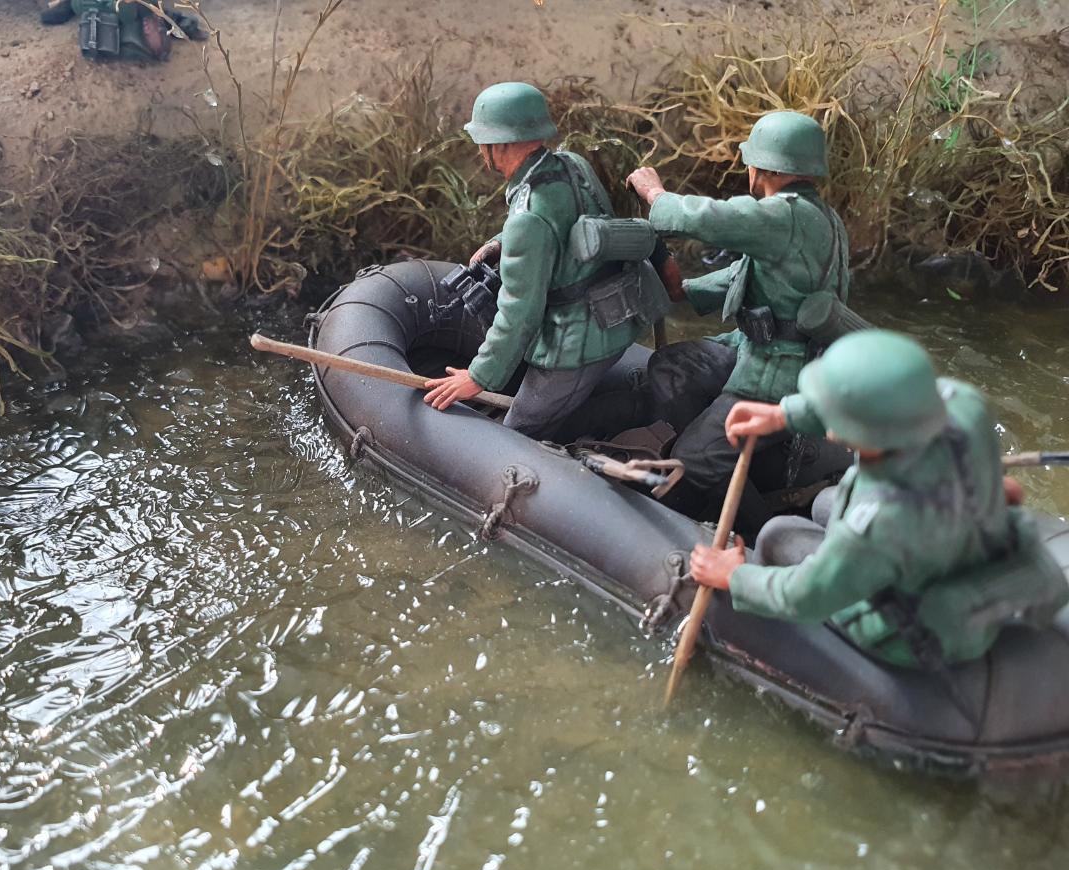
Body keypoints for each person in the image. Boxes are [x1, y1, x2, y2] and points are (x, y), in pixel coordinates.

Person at [689, 329, 1068, 672]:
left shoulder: (879, 521)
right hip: (958, 550)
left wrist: (734, 577)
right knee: (825, 503)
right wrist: (783, 414)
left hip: (921, 628)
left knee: (777, 533)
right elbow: (884, 410)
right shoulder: (964, 404)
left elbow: (805, 595)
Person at [625, 110, 861, 532]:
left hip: (779, 369)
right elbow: (754, 274)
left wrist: (654, 194)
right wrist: (688, 290)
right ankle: (723, 451)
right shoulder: (816, 217)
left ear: (766, 168)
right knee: (671, 367)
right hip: (757, 348)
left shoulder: (784, 215)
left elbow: (707, 218)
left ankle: (756, 528)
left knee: (695, 458)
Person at [423, 82, 682, 441]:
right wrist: (503, 241)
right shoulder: (573, 165)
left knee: (519, 431)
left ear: (500, 145)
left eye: (483, 141)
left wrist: (478, 377)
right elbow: (571, 227)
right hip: (621, 311)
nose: (481, 150)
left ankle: (638, 409)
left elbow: (520, 313)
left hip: (579, 342)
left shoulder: (527, 218)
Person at [40, 0, 197, 60]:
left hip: (78, 4)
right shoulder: (150, 10)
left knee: (50, 15)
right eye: (160, 29)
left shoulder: (128, 14)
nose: (148, 28)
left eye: (147, 33)